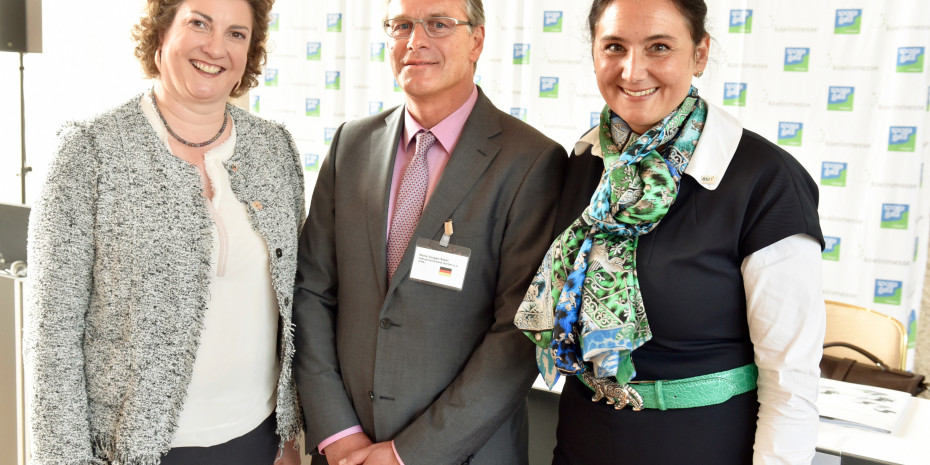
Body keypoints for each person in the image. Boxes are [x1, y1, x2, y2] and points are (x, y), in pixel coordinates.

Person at [514, 0, 825, 463]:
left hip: (702, 445)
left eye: (659, 47)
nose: (632, 70)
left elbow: (791, 380)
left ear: (700, 54)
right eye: (614, 47)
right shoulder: (587, 161)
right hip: (583, 441)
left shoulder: (765, 181)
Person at [23, 0, 305, 463]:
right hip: (136, 450)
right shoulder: (90, 153)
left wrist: (288, 434)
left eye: (237, 34)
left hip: (258, 438)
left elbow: (293, 305)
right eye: (199, 23)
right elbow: (51, 338)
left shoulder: (274, 149)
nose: (216, 47)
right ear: (160, 34)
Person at [292, 0, 567, 464]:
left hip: (463, 452)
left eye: (438, 24)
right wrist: (339, 434)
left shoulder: (531, 161)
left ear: (477, 40)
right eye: (401, 25)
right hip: (345, 451)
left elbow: (519, 334)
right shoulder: (350, 145)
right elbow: (312, 291)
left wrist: (405, 455)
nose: (415, 42)